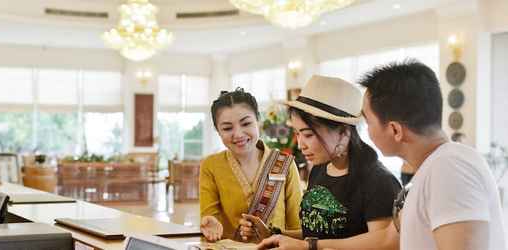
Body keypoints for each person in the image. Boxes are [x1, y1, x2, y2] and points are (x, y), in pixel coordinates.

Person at [256, 60, 506, 250]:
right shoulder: (432, 169)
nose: (364, 130)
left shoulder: (450, 169)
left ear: (395, 129)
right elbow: (389, 237)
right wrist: (308, 244)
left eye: (367, 120)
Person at [238, 75, 400, 243]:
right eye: (298, 134)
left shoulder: (379, 182)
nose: (301, 145)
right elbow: (319, 234)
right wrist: (273, 233)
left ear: (344, 133)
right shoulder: (319, 169)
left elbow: (383, 245)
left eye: (308, 135)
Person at [199, 88, 302, 242]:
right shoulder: (211, 165)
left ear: (258, 121)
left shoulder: (285, 164)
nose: (238, 134)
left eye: (246, 123)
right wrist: (210, 223)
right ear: (218, 131)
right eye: (227, 128)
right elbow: (210, 216)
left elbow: (297, 228)